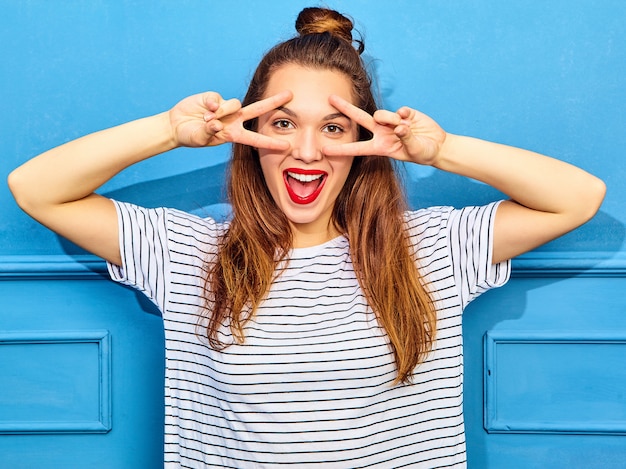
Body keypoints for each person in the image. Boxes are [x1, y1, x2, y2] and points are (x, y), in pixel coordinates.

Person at [8, 6, 605, 469]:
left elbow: (578, 197)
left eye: (335, 127)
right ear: (249, 134)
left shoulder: (431, 250)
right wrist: (170, 131)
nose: (307, 151)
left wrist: (442, 151)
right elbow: (36, 188)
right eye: (283, 124)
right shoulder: (187, 254)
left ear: (364, 143)